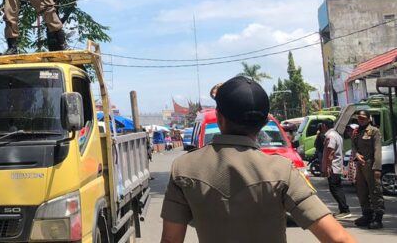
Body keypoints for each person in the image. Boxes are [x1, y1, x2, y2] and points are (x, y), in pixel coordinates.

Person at [160, 76, 355, 243]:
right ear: (263, 123)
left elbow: (171, 240)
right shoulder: (281, 170)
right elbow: (338, 239)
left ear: (219, 118)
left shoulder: (184, 167)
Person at [352, 110, 384, 229]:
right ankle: (367, 215)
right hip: (360, 165)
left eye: (363, 118)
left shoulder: (374, 131)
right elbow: (353, 146)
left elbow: (377, 150)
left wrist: (377, 168)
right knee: (362, 191)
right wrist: (356, 154)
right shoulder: (356, 131)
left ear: (369, 119)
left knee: (375, 190)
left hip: (371, 165)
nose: (361, 119)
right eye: (359, 118)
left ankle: (378, 218)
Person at [322, 119, 351, 220]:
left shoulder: (330, 136)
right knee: (337, 187)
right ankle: (343, 209)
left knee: (335, 188)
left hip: (333, 167)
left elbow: (330, 152)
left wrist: (327, 167)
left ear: (324, 125)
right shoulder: (336, 135)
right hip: (336, 166)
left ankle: (345, 210)